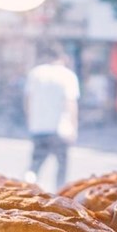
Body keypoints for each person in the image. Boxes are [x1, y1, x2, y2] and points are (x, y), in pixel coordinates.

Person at [25, 45, 80, 188]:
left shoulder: (36, 73)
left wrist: (30, 121)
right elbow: (71, 103)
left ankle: (27, 186)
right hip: (61, 129)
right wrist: (73, 127)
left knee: (35, 164)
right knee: (61, 166)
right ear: (63, 58)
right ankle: (59, 192)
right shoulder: (68, 75)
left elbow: (28, 100)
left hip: (38, 127)